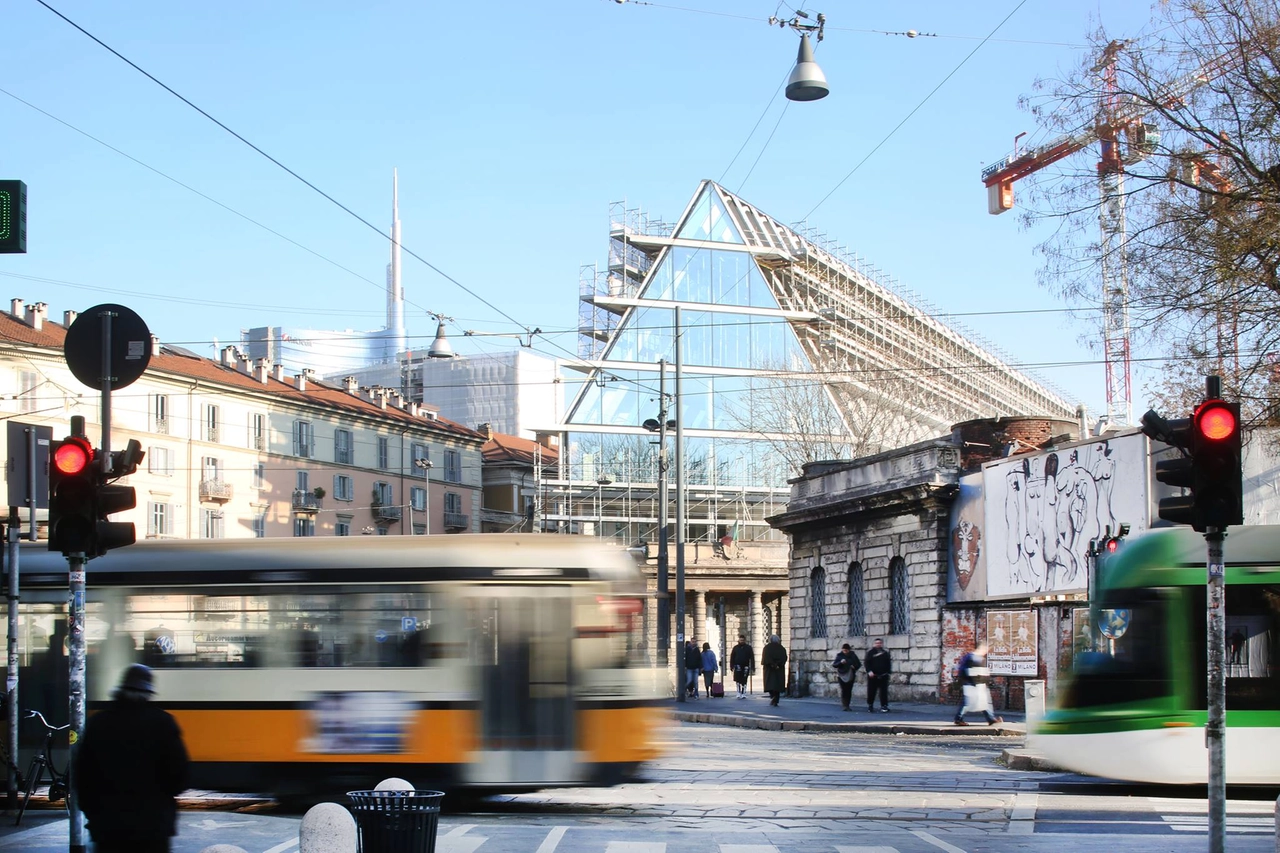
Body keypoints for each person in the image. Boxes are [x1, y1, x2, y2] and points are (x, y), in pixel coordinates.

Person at [75, 664, 189, 853]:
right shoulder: (163, 723)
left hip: (108, 827)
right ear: (148, 692)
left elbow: (83, 776)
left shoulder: (99, 723)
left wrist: (93, 815)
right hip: (152, 827)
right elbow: (180, 776)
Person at [954, 642, 1003, 726]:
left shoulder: (979, 658)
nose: (986, 651)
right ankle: (958, 719)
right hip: (971, 684)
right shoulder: (971, 657)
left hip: (978, 683)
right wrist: (971, 680)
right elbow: (963, 670)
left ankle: (991, 719)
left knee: (982, 702)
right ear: (981, 648)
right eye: (985, 649)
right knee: (967, 702)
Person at [865, 638, 892, 712]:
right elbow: (867, 663)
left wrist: (888, 672)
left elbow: (888, 663)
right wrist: (869, 671)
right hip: (873, 675)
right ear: (874, 644)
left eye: (879, 643)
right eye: (876, 643)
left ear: (881, 644)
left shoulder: (885, 653)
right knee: (871, 691)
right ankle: (870, 705)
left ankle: (884, 706)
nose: (878, 644)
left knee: (884, 691)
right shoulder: (870, 653)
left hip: (883, 675)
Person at [833, 643, 861, 711]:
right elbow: (835, 665)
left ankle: (847, 705)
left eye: (846, 650)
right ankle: (844, 705)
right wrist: (840, 663)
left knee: (848, 690)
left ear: (848, 650)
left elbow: (858, 664)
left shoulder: (853, 655)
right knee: (844, 690)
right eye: (844, 650)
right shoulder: (839, 655)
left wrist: (854, 666)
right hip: (841, 675)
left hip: (850, 675)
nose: (845, 651)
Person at [762, 634, 787, 706]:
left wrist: (773, 664)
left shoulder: (767, 648)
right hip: (779, 669)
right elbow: (784, 658)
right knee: (778, 685)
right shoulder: (781, 648)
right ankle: (776, 699)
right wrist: (778, 665)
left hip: (770, 669)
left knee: (770, 684)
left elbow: (766, 658)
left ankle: (773, 696)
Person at [729, 634, 754, 699]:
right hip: (737, 665)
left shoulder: (748, 648)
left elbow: (752, 657)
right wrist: (731, 666)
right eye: (740, 640)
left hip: (745, 665)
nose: (741, 641)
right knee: (737, 680)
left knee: (744, 680)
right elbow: (732, 657)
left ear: (744, 640)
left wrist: (752, 666)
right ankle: (738, 692)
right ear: (739, 640)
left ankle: (743, 692)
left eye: (742, 640)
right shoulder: (735, 648)